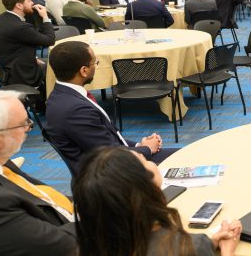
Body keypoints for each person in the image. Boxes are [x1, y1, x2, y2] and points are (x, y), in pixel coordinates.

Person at [64, 146, 242, 256]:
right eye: (143, 160)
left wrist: (208, 244)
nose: (150, 162)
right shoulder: (188, 250)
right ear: (147, 188)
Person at [0, 90, 76, 256]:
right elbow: (64, 247)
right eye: (23, 124)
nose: (29, 128)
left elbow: (47, 199)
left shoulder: (2, 163)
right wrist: (103, 212)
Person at [45, 41, 177, 175]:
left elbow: (105, 139)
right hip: (109, 176)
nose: (95, 67)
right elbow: (110, 154)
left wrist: (139, 145)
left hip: (108, 162)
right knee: (186, 158)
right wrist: (147, 150)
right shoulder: (75, 111)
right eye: (95, 63)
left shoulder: (60, 96)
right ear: (84, 71)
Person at [0, 0, 55, 87]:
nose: (33, 3)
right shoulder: (20, 27)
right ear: (19, 5)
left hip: (7, 71)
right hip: (24, 75)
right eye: (29, 1)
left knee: (47, 63)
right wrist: (45, 17)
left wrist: (33, 57)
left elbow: (11, 45)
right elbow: (50, 40)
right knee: (59, 68)